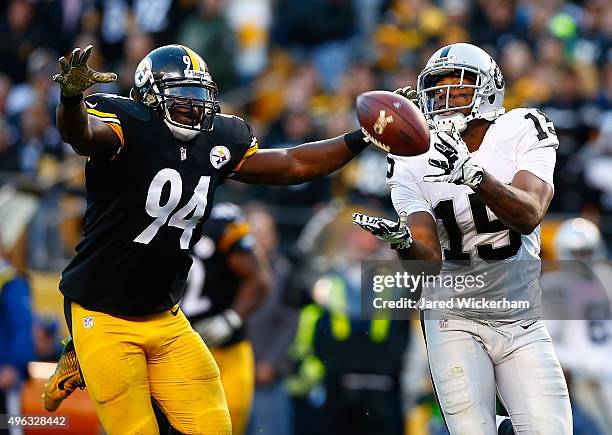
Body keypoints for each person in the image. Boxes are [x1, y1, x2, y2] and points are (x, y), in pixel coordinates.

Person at [47, 43, 370, 434]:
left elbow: (294, 164)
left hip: (164, 316)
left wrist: (363, 135)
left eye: (200, 98)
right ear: (150, 98)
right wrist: (70, 99)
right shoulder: (125, 122)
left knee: (216, 427)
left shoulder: (220, 138)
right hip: (103, 312)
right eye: (182, 99)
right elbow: (82, 136)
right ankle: (81, 350)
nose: (194, 108)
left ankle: (79, 355)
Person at [353, 43, 572, 434]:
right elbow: (429, 259)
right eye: (436, 90)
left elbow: (529, 214)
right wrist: (404, 243)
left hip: (519, 315)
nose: (444, 98)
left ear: (488, 90)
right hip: (453, 316)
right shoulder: (410, 157)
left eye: (458, 87)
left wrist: (474, 175)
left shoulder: (522, 126)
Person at [542, 218, 611, 433]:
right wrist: (574, 363)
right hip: (584, 378)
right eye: (578, 253)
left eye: (587, 252)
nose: (583, 259)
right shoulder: (554, 287)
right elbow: (547, 341)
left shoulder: (606, 277)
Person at [0, 258, 34, 433]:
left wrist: (13, 365)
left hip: (5, 379)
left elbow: (22, 327)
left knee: (8, 426)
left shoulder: (10, 281)